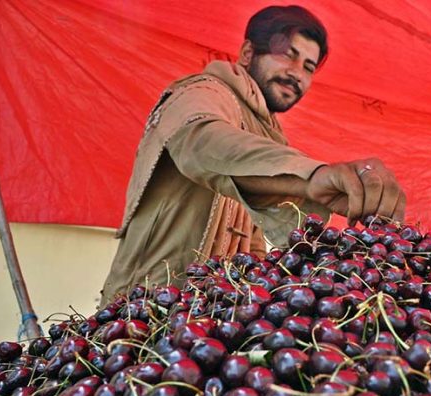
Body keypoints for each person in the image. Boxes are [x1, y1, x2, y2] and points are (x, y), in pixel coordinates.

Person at [100, 5, 405, 304]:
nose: (296, 74)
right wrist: (312, 176)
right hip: (143, 316)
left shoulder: (268, 137)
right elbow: (203, 141)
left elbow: (254, 245)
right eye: (287, 55)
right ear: (248, 53)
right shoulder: (201, 92)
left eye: (308, 68)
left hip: (211, 324)